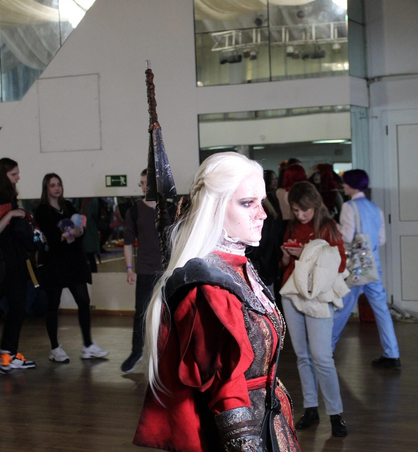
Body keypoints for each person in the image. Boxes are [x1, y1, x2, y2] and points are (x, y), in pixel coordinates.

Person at [134, 152, 300, 452]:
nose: (262, 214)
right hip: (243, 433)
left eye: (261, 202)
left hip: (269, 419)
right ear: (215, 207)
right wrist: (246, 445)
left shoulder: (239, 266)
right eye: (247, 203)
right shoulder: (209, 285)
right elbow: (227, 387)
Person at [280, 181, 348, 437]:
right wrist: (287, 255)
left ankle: (336, 414)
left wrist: (306, 253)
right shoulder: (291, 225)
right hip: (292, 291)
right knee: (303, 356)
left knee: (322, 357)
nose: (301, 215)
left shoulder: (327, 226)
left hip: (318, 296)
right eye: (296, 210)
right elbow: (284, 265)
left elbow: (340, 264)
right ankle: (311, 408)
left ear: (315, 205)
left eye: (304, 209)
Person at [34, 173, 108, 363]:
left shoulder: (68, 206)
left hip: (73, 262)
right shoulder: (41, 210)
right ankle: (54, 348)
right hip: (53, 264)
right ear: (46, 188)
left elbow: (79, 231)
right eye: (52, 185)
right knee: (53, 303)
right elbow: (51, 237)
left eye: (58, 184)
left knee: (83, 300)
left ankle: (88, 345)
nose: (56, 188)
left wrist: (76, 232)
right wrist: (69, 234)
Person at [334, 169, 400, 368]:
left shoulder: (349, 206)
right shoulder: (375, 208)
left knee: (343, 308)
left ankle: (325, 349)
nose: (343, 186)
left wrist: (335, 227)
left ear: (351, 185)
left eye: (345, 182)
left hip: (356, 266)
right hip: (373, 266)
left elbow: (347, 236)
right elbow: (381, 239)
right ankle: (392, 354)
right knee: (381, 310)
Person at [0, 158, 36, 374]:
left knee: (19, 308)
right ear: (3, 175)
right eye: (14, 174)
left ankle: (7, 356)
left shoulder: (11, 197)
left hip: (16, 262)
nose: (18, 178)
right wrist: (11, 215)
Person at [120, 169, 166, 373]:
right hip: (146, 269)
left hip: (166, 271)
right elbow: (128, 243)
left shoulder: (168, 209)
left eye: (148, 182)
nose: (145, 186)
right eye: (142, 183)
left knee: (167, 314)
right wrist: (129, 269)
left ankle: (166, 354)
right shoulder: (135, 211)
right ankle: (136, 351)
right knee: (141, 313)